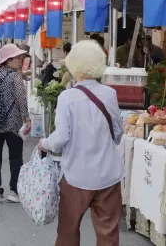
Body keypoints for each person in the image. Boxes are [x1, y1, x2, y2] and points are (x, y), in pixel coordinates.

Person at [38, 40, 124, 246]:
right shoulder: (110, 94)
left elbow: (60, 138)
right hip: (108, 174)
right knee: (108, 232)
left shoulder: (67, 97)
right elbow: (118, 133)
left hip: (77, 174)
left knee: (68, 230)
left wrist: (44, 143)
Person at [0, 44, 31, 203]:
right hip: (13, 123)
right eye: (17, 58)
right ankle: (14, 191)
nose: (20, 60)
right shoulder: (15, 77)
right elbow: (21, 99)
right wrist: (27, 118)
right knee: (15, 157)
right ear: (8, 60)